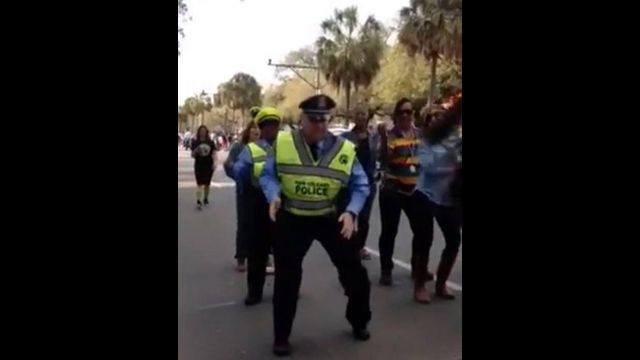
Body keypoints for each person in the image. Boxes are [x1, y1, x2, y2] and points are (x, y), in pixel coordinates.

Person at [260, 95, 372, 357]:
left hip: (329, 217)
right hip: (293, 218)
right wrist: (273, 194)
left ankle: (359, 320)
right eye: (314, 120)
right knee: (287, 279)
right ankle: (281, 337)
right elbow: (267, 174)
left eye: (325, 120)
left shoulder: (344, 150)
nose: (320, 126)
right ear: (302, 120)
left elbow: (361, 184)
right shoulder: (284, 143)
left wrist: (351, 211)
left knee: (355, 274)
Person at [413, 97, 462, 303]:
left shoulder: (456, 141)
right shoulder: (425, 141)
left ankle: (441, 284)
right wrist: (455, 168)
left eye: (439, 116)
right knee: (425, 240)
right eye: (432, 117)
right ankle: (420, 286)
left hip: (448, 199)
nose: (436, 119)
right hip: (426, 195)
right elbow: (429, 169)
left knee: (454, 240)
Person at [377, 98, 428, 286]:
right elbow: (383, 159)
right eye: (402, 112)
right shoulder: (391, 134)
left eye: (409, 112)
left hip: (415, 189)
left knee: (422, 230)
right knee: (389, 231)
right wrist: (383, 139)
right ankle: (386, 270)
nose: (406, 115)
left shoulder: (419, 134)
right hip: (393, 189)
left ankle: (418, 266)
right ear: (396, 115)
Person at [341, 105, 379, 260]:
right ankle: (347, 247)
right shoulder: (345, 137)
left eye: (363, 113)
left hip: (369, 182)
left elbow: (380, 156)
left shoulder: (374, 137)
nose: (361, 117)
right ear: (353, 117)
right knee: (349, 214)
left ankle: (360, 247)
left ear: (367, 116)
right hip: (350, 183)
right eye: (358, 114)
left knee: (364, 219)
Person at [224, 121, 260, 272]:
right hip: (244, 191)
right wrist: (237, 176)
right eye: (253, 129)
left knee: (263, 226)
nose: (256, 132)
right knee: (244, 224)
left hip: (263, 191)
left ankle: (264, 257)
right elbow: (227, 165)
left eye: (259, 129)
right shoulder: (238, 147)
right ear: (248, 131)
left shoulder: (266, 147)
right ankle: (241, 257)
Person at [190, 125, 218, 210]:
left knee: (207, 184)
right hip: (199, 165)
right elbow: (192, 155)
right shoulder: (195, 142)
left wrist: (214, 163)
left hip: (208, 165)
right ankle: (199, 201)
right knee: (199, 183)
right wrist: (196, 150)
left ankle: (205, 198)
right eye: (201, 131)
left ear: (206, 132)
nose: (203, 132)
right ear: (199, 132)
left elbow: (214, 153)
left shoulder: (210, 142)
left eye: (204, 131)